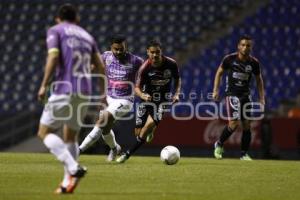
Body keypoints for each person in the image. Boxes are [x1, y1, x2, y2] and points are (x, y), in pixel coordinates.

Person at [37, 4, 105, 194]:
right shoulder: (87, 36)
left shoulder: (56, 30)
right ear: (77, 19)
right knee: (70, 136)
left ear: (58, 18)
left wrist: (44, 83)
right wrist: (103, 93)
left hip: (64, 88)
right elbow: (100, 66)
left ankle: (73, 167)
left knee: (44, 132)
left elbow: (53, 57)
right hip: (85, 92)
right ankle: (68, 182)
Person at [79, 35, 144, 161]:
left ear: (126, 47)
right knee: (105, 130)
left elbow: (147, 71)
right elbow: (96, 68)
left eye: (122, 49)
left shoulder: (136, 61)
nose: (119, 52)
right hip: (109, 98)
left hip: (125, 100)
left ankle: (78, 150)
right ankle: (115, 148)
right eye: (116, 49)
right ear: (111, 47)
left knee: (102, 121)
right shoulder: (106, 56)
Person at [116, 39, 181, 163]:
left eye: (157, 52)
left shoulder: (171, 64)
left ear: (161, 51)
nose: (155, 55)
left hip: (163, 100)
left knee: (148, 125)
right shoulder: (144, 68)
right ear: (148, 52)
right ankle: (151, 130)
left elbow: (177, 79)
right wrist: (143, 95)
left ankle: (127, 154)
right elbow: (136, 88)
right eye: (152, 52)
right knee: (138, 133)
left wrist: (176, 94)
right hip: (147, 99)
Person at [212, 35, 265, 160]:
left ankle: (243, 154)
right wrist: (215, 90)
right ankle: (219, 144)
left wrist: (262, 97)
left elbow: (259, 79)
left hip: (246, 96)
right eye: (243, 45)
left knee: (247, 125)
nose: (245, 47)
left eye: (248, 45)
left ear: (251, 48)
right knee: (234, 124)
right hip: (232, 95)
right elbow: (219, 72)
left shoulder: (254, 63)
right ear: (238, 46)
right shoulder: (229, 59)